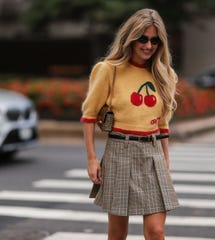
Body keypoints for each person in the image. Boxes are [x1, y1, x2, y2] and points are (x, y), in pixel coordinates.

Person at [81, 8, 179, 240]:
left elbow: (163, 126)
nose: (148, 45)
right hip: (119, 152)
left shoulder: (166, 75)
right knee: (118, 234)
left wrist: (166, 165)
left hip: (152, 154)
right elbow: (89, 115)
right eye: (143, 39)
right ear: (131, 38)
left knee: (156, 231)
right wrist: (92, 159)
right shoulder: (108, 70)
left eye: (154, 40)